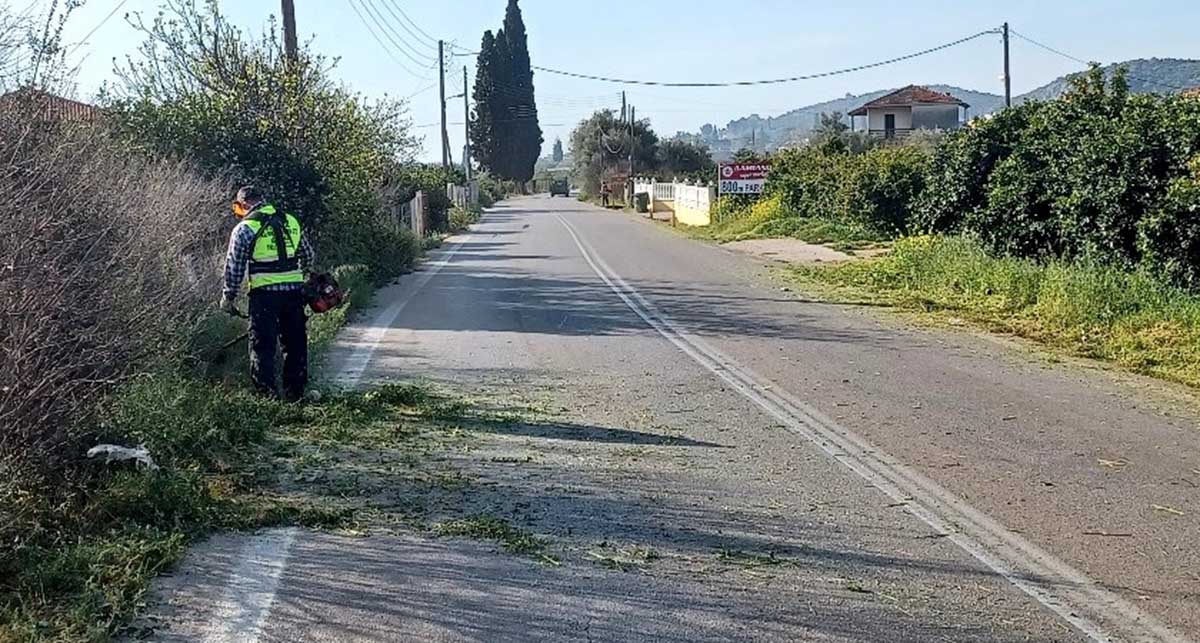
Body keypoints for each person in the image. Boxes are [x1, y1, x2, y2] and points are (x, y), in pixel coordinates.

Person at [220, 186, 315, 401]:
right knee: (295, 343)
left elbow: (234, 267)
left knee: (263, 346)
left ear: (243, 204)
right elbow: (308, 255)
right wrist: (300, 274)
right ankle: (295, 395)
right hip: (294, 293)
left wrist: (229, 297)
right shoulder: (290, 220)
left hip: (264, 296)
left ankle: (267, 397)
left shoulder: (245, 228)